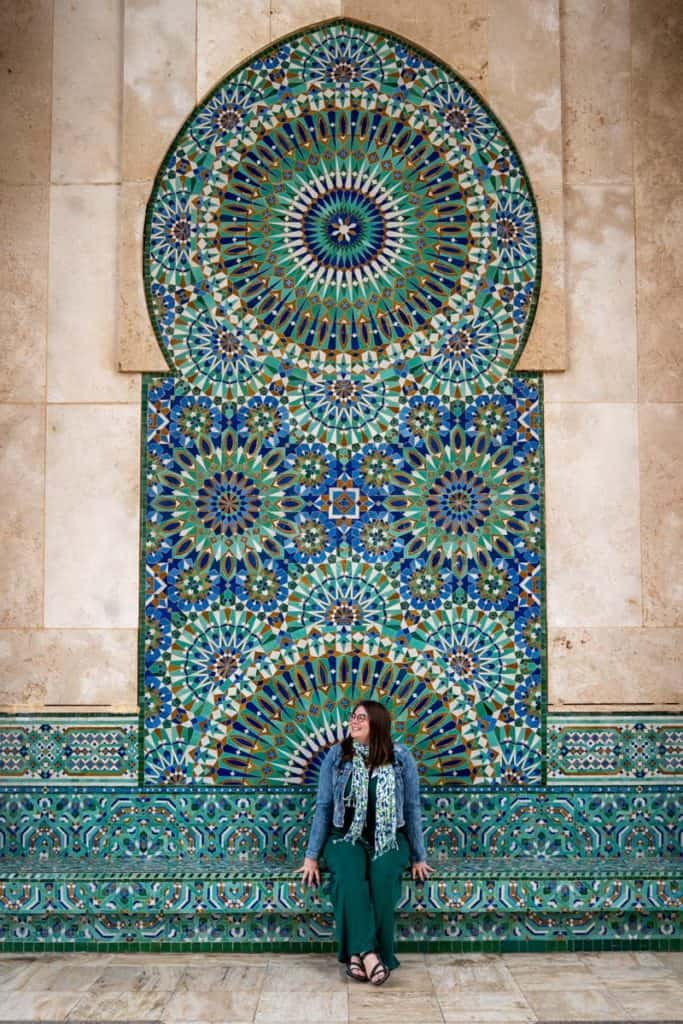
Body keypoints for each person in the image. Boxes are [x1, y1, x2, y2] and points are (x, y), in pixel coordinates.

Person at [298, 700, 432, 985]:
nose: (353, 722)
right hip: (345, 835)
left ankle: (357, 955)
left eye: (361, 718)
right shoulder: (336, 756)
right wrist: (311, 856)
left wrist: (419, 856)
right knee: (348, 877)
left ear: (377, 725)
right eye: (353, 716)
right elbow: (323, 806)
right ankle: (372, 954)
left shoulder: (401, 758)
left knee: (383, 877)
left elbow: (410, 808)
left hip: (389, 836)